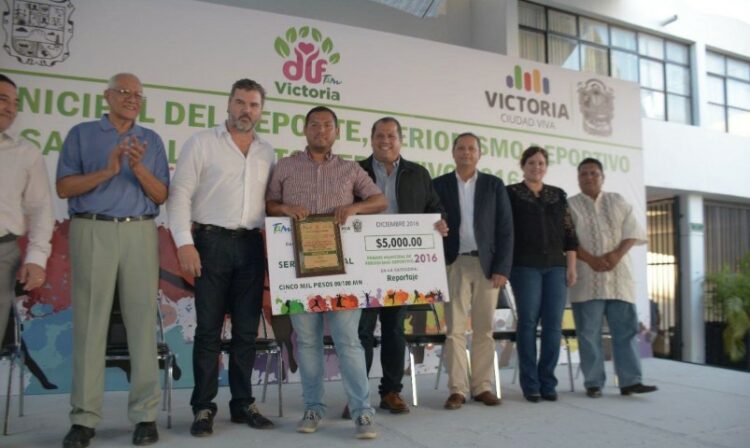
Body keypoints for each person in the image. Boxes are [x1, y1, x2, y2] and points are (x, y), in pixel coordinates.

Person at [56, 73, 169, 447]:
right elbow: (64, 187)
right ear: (107, 96)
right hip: (92, 228)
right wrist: (107, 170)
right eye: (124, 92)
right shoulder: (82, 134)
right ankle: (84, 418)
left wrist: (137, 167)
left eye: (138, 94)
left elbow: (160, 195)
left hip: (139, 231)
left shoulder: (151, 140)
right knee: (90, 324)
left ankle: (145, 416)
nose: (132, 98)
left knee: (141, 323)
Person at [266, 106, 387, 439]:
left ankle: (362, 412)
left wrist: (355, 207)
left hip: (342, 272)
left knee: (348, 341)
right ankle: (313, 408)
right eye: (315, 125)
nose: (321, 130)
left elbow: (380, 201)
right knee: (307, 342)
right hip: (298, 269)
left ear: (337, 132)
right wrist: (285, 208)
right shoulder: (285, 166)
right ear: (305, 129)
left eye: (327, 125)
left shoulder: (350, 169)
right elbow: (269, 205)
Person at [168, 79, 276, 436]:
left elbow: (272, 204)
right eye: (240, 102)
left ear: (261, 111)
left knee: (246, 331)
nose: (246, 110)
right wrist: (184, 243)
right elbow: (180, 194)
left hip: (251, 246)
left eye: (254, 105)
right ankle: (203, 407)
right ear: (228, 104)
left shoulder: (267, 152)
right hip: (209, 244)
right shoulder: (201, 142)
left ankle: (243, 403)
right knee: (208, 331)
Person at [356, 116, 447, 416]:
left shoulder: (418, 174)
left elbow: (435, 209)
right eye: (380, 135)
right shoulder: (355, 171)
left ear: (400, 140)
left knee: (394, 329)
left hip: (401, 265)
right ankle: (357, 395)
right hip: (364, 264)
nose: (385, 141)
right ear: (371, 139)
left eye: (391, 136)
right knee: (362, 331)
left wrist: (440, 223)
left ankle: (391, 392)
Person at [433, 132, 513, 410]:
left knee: (484, 329)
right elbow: (428, 219)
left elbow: (506, 229)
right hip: (453, 263)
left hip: (487, 266)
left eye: (471, 148)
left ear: (479, 154)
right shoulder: (439, 185)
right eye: (461, 148)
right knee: (454, 330)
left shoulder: (494, 185)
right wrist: (435, 225)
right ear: (453, 152)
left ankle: (482, 387)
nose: (466, 153)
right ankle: (458, 389)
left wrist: (502, 267)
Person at [568, 158, 658, 398]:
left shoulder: (617, 201)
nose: (589, 177)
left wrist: (616, 254)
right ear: (578, 178)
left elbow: (633, 232)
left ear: (603, 177)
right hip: (587, 280)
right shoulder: (570, 206)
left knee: (626, 332)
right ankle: (593, 383)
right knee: (588, 335)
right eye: (584, 174)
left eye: (594, 173)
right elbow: (567, 241)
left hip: (619, 278)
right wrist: (590, 259)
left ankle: (630, 382)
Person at [507, 146, 577, 403]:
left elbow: (569, 234)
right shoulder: (511, 193)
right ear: (523, 165)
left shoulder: (558, 195)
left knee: (553, 325)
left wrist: (571, 266)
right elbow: (505, 232)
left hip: (556, 267)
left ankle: (548, 382)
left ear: (546, 167)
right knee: (527, 323)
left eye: (541, 163)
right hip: (524, 266)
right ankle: (530, 384)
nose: (536, 167)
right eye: (531, 163)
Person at [0, 74, 54, 346]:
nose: (10, 108)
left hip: (3, 254)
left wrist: (36, 258)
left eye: (15, 103)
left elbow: (40, 208)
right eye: (3, 99)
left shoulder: (26, 152)